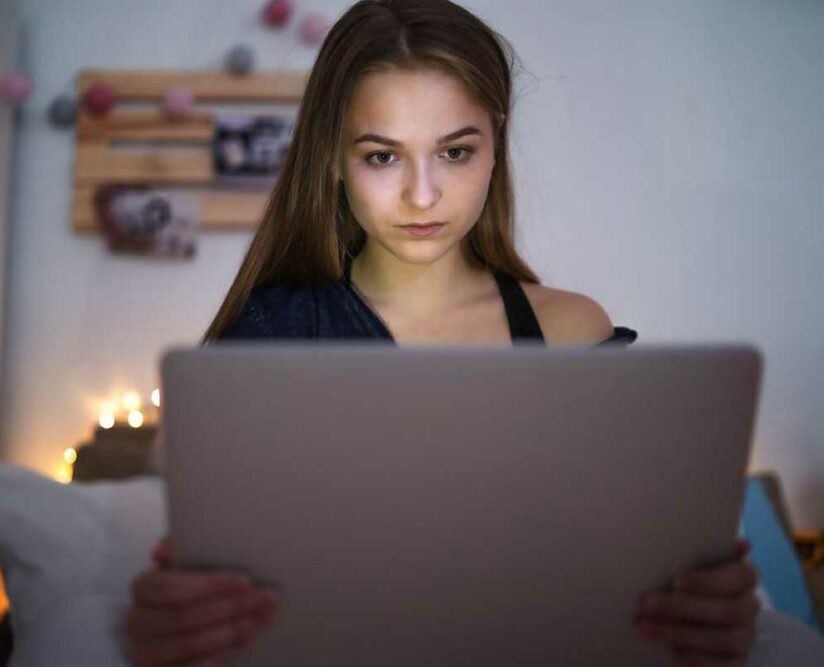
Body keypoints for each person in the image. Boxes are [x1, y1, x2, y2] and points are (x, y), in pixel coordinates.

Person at [124, 1, 769, 664]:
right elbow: (165, 523)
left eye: (455, 151)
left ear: (496, 145)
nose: (423, 195)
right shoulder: (268, 333)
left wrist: (701, 600)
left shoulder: (569, 330)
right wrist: (166, 605)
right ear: (333, 162)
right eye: (383, 157)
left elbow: (633, 553)